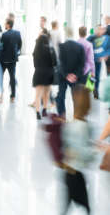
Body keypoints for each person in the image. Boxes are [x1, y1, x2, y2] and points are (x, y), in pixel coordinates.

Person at [61, 86, 95, 215]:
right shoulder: (83, 126)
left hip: (69, 172)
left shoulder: (72, 123)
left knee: (69, 206)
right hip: (75, 174)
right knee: (86, 207)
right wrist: (96, 150)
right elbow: (83, 153)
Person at [56, 27, 86, 118]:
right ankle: (76, 115)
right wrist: (75, 75)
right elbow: (82, 64)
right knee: (76, 97)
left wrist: (66, 75)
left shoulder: (61, 46)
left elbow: (60, 63)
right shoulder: (80, 47)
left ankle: (62, 115)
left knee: (61, 96)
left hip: (63, 77)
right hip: (76, 78)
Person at [32, 34, 56, 120]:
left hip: (38, 73)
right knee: (46, 93)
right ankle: (45, 110)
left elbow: (34, 64)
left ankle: (37, 112)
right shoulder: (51, 49)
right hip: (49, 73)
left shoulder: (36, 50)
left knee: (38, 95)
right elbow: (55, 62)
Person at [0, 18, 22, 102]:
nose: (4, 25)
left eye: (5, 23)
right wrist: (15, 53)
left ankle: (1, 95)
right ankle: (13, 96)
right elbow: (20, 45)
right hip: (13, 59)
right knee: (12, 77)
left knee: (0, 77)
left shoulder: (4, 35)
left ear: (8, 24)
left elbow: (1, 47)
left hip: (4, 60)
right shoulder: (17, 33)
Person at [88, 25, 110, 99]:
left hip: (98, 60)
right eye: (99, 29)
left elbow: (107, 48)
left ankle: (96, 91)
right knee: (92, 75)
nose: (100, 31)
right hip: (92, 59)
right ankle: (91, 89)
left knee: (97, 75)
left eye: (101, 29)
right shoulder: (92, 37)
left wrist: (106, 55)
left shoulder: (105, 38)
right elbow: (87, 41)